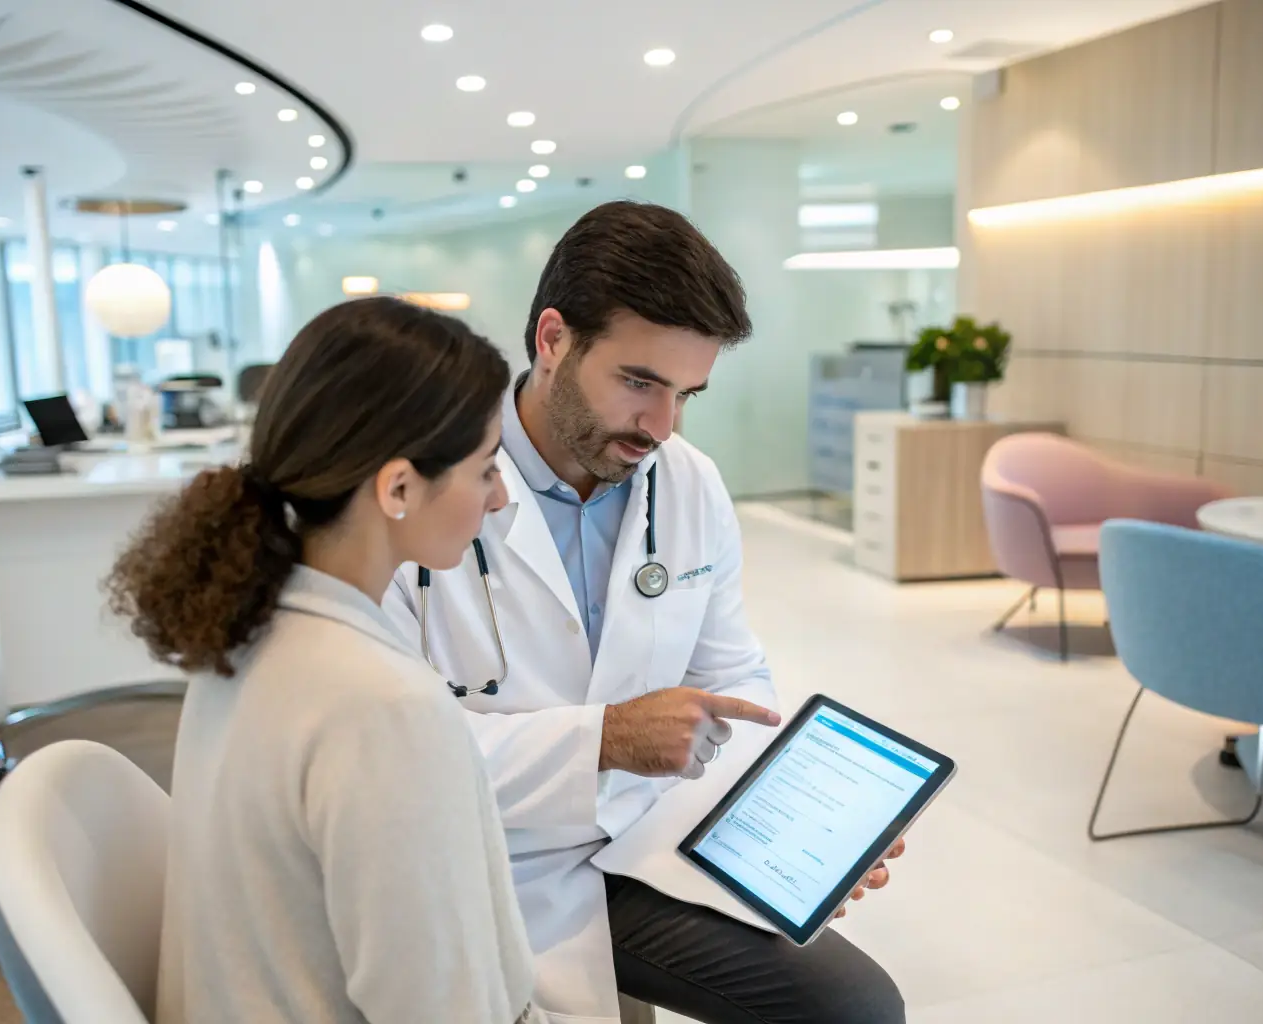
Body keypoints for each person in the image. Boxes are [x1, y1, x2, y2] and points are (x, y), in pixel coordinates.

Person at [382, 201, 906, 1024]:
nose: (661, 427)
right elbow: (386, 756)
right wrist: (604, 739)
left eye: (686, 394)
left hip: (645, 840)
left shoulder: (687, 480)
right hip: (485, 853)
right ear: (552, 339)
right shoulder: (427, 486)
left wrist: (789, 835)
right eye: (639, 383)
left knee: (855, 1007)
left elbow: (732, 677)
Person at [107, 297, 544, 1024]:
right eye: (485, 469)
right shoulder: (384, 707)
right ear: (398, 487)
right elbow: (437, 1008)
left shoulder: (243, 634)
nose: (498, 499)